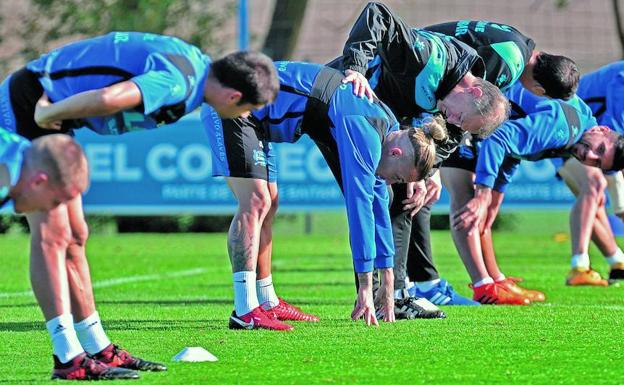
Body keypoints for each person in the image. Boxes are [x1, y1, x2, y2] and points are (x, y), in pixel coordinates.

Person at [4, 31, 279, 380]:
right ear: (234, 95)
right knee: (54, 234)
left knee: (75, 234)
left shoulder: (194, 69)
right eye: (248, 110)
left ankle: (97, 347)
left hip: (47, 110)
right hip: (31, 105)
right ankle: (67, 357)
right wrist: (50, 112)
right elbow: (109, 97)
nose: (244, 117)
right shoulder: (179, 81)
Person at [203, 61, 447, 329]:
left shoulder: (386, 123)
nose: (391, 181)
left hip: (257, 119)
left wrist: (388, 277)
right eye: (398, 177)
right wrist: (366, 286)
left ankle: (267, 300)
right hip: (232, 101)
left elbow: (379, 200)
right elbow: (360, 206)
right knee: (256, 201)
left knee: (269, 204)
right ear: (397, 153)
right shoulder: (364, 130)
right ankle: (245, 309)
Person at [327, 2, 510, 316]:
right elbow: (377, 14)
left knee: (402, 194)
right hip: (333, 106)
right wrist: (356, 68)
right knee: (376, 199)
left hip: (370, 126)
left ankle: (393, 294)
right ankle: (388, 295)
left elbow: (435, 135)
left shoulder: (453, 93)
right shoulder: (427, 58)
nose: (452, 121)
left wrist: (426, 172)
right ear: (475, 93)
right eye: (460, 117)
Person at [407, 20, 579, 305]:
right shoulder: (509, 63)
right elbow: (459, 99)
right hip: (416, 82)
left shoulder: (518, 45)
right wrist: (432, 163)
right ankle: (467, 285)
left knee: (431, 193)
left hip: (422, 78)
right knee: (439, 192)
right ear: (539, 89)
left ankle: (478, 281)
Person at [448, 81, 624, 304]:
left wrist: (496, 192)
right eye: (599, 149)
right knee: (467, 197)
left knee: (483, 211)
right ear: (602, 130)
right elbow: (499, 139)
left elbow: (515, 150)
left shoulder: (576, 132)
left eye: (597, 163)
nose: (590, 157)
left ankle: (495, 281)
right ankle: (481, 286)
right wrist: (484, 193)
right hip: (467, 105)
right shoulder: (562, 128)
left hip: (476, 113)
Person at [554, 60, 624, 285]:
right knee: (595, 187)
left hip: (588, 141)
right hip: (566, 132)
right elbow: (614, 129)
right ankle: (579, 267)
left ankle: (617, 262)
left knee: (594, 197)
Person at [0, 133, 88, 213]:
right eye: (55, 202)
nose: (49, 210)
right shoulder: (4, 178)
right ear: (38, 181)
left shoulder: (18, 146)